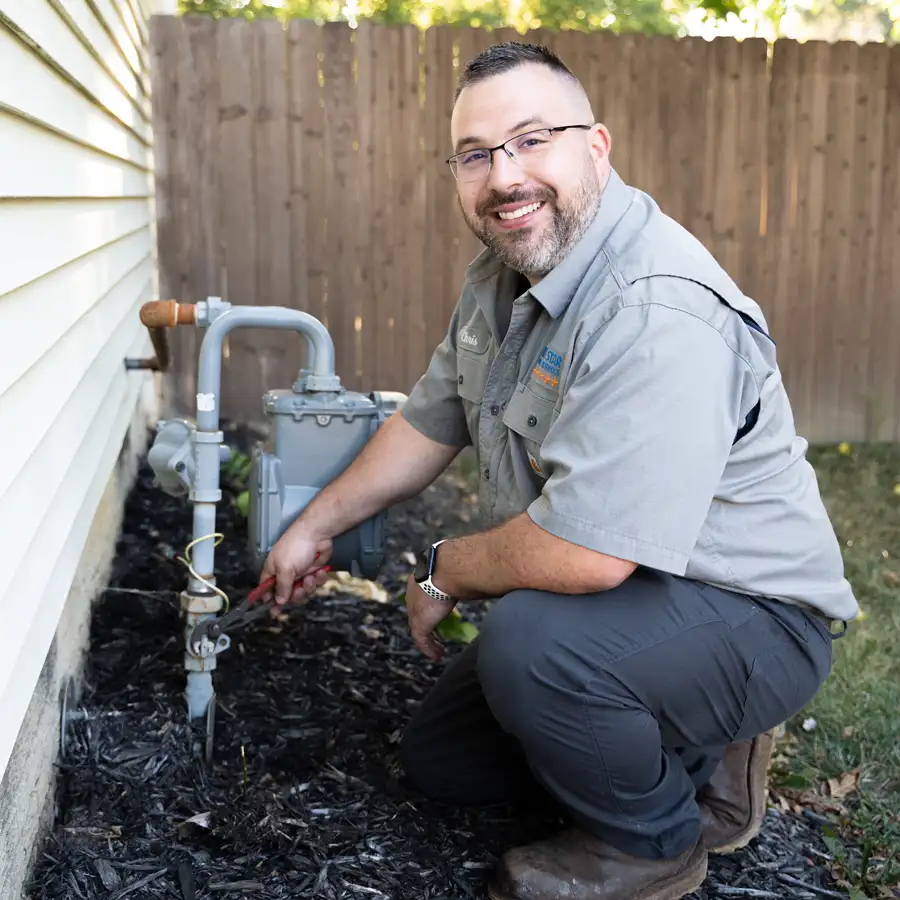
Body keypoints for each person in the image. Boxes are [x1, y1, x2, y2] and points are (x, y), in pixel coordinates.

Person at [260, 41, 858, 900]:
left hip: (749, 611)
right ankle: (689, 742)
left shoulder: (656, 307)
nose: (505, 175)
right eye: (476, 154)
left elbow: (585, 557)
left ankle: (655, 844)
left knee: (529, 649)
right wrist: (311, 526)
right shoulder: (503, 277)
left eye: (532, 139)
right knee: (445, 761)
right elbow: (428, 421)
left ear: (596, 146)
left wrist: (444, 570)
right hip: (637, 596)